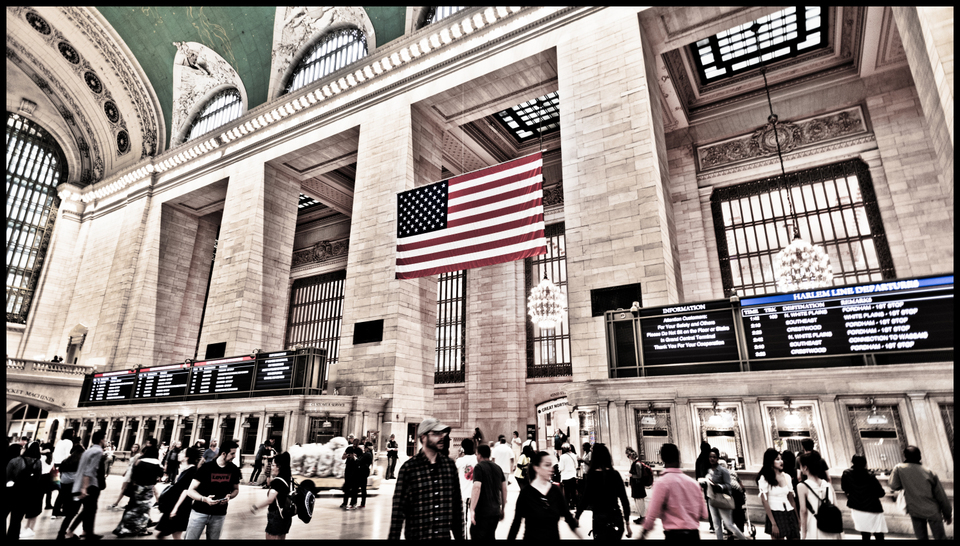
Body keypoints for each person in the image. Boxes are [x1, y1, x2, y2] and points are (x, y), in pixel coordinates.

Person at [388, 418, 463, 540]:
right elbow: (398, 511)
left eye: (442, 433)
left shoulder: (449, 466)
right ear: (423, 437)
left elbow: (456, 509)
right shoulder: (409, 469)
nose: (442, 437)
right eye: (436, 433)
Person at [639, 443, 708, 541]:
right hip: (694, 535)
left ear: (662, 458)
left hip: (674, 535)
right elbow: (704, 514)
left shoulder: (662, 483)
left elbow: (652, 513)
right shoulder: (693, 483)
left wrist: (643, 533)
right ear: (679, 457)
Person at [507, 450, 579, 540]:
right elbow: (516, 524)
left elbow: (569, 519)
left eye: (551, 465)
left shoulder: (555, 491)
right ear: (536, 468)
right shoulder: (526, 493)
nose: (551, 469)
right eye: (547, 465)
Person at [888, 445, 952, 540]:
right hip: (932, 510)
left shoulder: (899, 468)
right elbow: (941, 495)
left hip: (915, 509)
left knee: (921, 538)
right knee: (940, 537)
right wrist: (947, 514)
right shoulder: (929, 472)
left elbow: (894, 485)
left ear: (905, 456)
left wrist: (906, 484)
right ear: (919, 456)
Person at [184, 439, 242, 540]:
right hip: (199, 512)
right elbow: (190, 491)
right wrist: (204, 499)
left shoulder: (234, 470)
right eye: (232, 453)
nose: (235, 456)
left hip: (219, 514)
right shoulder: (206, 467)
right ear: (224, 453)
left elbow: (236, 489)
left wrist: (230, 496)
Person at [576, 443, 631, 540]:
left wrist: (577, 516)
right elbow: (624, 499)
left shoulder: (592, 475)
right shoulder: (615, 474)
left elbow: (585, 498)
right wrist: (627, 523)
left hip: (599, 518)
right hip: (616, 517)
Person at [113, 444, 163, 537]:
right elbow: (161, 474)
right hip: (147, 489)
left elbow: (133, 473)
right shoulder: (156, 462)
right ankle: (142, 530)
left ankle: (122, 528)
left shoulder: (139, 461)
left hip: (136, 487)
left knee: (131, 508)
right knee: (144, 510)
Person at [156, 446, 202, 540]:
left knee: (166, 534)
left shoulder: (192, 471)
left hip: (181, 506)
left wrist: (175, 509)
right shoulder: (184, 469)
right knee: (175, 535)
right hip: (175, 504)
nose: (179, 454)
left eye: (182, 453)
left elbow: (186, 491)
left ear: (187, 457)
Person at [703, 447, 748, 540]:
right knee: (716, 525)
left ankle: (743, 539)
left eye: (714, 457)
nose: (712, 459)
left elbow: (728, 485)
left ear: (717, 459)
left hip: (722, 498)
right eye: (710, 457)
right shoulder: (708, 470)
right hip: (711, 498)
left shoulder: (723, 471)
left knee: (728, 524)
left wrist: (719, 486)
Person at [841, 454, 888, 540]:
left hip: (857, 507)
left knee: (865, 534)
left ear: (852, 462)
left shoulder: (846, 473)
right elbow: (881, 493)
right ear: (865, 463)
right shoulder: (870, 476)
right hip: (873, 507)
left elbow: (845, 488)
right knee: (878, 534)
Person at [797, 450, 841, 539]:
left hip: (813, 524)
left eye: (800, 466)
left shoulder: (802, 486)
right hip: (830, 525)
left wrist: (803, 532)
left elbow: (803, 511)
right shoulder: (828, 485)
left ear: (805, 467)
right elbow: (836, 506)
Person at [757, 448, 800, 540]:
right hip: (775, 513)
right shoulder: (764, 478)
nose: (781, 461)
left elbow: (791, 499)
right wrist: (773, 523)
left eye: (781, 459)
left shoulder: (787, 476)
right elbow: (765, 502)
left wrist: (798, 519)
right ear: (770, 462)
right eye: (777, 459)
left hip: (789, 511)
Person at [250, 451, 294, 540]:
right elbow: (271, 485)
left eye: (273, 465)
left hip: (276, 516)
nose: (272, 467)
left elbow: (270, 500)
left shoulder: (277, 482)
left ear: (279, 467)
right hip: (285, 515)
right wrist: (269, 475)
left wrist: (256, 507)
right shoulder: (289, 479)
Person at [74, 430, 108, 540]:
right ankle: (72, 531)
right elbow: (89, 470)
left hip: (84, 483)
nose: (106, 441)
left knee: (88, 509)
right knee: (89, 509)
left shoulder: (88, 450)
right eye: (105, 438)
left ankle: (87, 531)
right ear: (102, 440)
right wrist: (84, 487)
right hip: (92, 484)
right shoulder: (98, 451)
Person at [6, 440, 43, 539]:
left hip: (11, 492)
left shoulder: (15, 461)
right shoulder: (38, 462)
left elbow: (7, 476)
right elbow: (38, 478)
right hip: (26, 494)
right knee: (16, 520)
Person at [470, 443, 507, 540]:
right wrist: (503, 509)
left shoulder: (479, 467)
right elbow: (504, 489)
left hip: (482, 512)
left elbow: (477, 487)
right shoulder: (498, 468)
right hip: (495, 512)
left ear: (480, 455)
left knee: (476, 534)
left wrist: (472, 509)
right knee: (490, 536)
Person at [55, 444, 85, 539]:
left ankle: (62, 532)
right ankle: (65, 532)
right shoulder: (82, 462)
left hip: (65, 489)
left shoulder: (65, 461)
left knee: (69, 514)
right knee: (74, 512)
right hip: (76, 490)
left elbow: (61, 474)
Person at [456, 438, 478, 533]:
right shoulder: (477, 459)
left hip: (463, 493)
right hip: (475, 494)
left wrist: (458, 455)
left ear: (463, 448)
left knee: (463, 521)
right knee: (475, 520)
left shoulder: (459, 461)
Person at [110, 442, 140, 509]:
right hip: (129, 472)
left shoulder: (137, 455)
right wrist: (125, 472)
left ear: (138, 449)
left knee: (124, 488)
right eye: (133, 447)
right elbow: (129, 465)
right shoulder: (132, 455)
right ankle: (119, 503)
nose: (134, 448)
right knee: (124, 488)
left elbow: (135, 465)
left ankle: (116, 503)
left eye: (136, 447)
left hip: (131, 473)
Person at [626, 448, 648, 525]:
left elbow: (639, 475)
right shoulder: (636, 463)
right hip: (636, 486)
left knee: (640, 502)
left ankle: (643, 517)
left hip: (638, 486)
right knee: (638, 502)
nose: (628, 457)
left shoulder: (637, 464)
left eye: (628, 456)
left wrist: (631, 475)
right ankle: (641, 516)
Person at [340, 438, 361, 510]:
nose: (355, 445)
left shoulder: (360, 450)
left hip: (356, 471)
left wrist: (355, 457)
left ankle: (353, 503)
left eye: (356, 444)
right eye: (354, 443)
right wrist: (347, 456)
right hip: (348, 469)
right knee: (347, 486)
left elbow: (360, 460)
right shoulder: (348, 448)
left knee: (355, 487)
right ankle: (345, 503)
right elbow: (343, 457)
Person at [558, 443, 579, 511]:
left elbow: (561, 468)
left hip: (565, 476)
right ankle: (574, 505)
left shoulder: (562, 457)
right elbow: (576, 466)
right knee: (573, 492)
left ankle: (567, 506)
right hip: (573, 475)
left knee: (566, 493)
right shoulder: (574, 455)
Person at [355, 442, 374, 509]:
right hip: (365, 471)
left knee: (361, 487)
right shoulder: (370, 454)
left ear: (366, 448)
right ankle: (362, 503)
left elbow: (359, 461)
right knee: (363, 488)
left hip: (363, 471)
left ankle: (360, 503)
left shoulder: (367, 454)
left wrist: (355, 458)